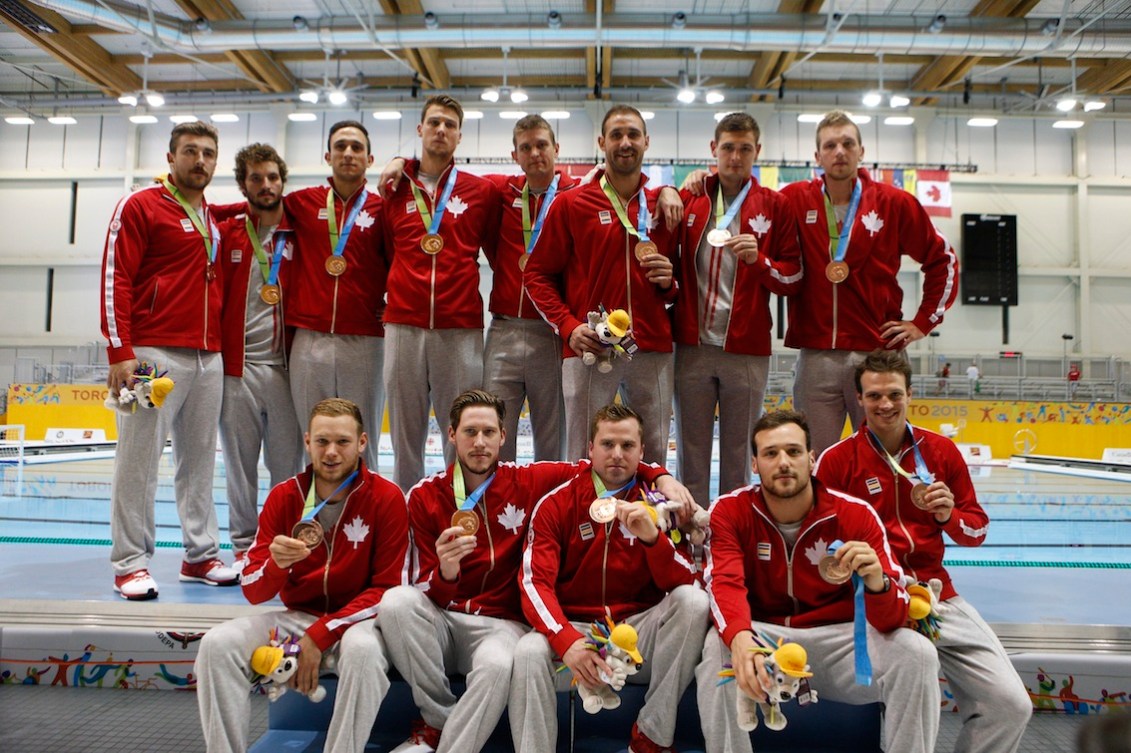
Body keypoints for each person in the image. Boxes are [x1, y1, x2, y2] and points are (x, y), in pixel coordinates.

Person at [380, 390, 692, 752]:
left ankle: (652, 737)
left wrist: (661, 476)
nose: (479, 443)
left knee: (502, 663)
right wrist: (447, 573)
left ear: (503, 436)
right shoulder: (424, 495)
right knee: (396, 602)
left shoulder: (531, 481)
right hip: (445, 617)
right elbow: (426, 591)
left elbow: (609, 465)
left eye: (488, 432)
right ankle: (436, 721)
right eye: (469, 432)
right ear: (451, 435)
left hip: (501, 624)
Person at [815, 349, 1032, 753]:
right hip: (869, 598)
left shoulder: (940, 452)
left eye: (894, 394)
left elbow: (977, 531)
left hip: (936, 595)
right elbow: (815, 538)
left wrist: (950, 515)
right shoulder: (837, 460)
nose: (885, 404)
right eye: (875, 395)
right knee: (915, 692)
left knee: (1010, 705)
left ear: (909, 395)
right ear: (859, 399)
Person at [697, 409, 940, 753]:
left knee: (917, 653)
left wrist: (877, 583)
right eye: (770, 453)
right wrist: (742, 640)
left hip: (843, 644)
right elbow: (725, 584)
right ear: (754, 464)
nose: (783, 462)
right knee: (718, 646)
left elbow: (892, 619)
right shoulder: (731, 511)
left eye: (794, 452)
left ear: (811, 458)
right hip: (767, 642)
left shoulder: (854, 514)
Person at [195, 398, 409, 753]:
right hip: (297, 619)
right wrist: (275, 566)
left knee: (364, 652)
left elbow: (387, 591)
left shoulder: (386, 498)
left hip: (358, 622)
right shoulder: (284, 497)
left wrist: (320, 634)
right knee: (217, 644)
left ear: (362, 443)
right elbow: (252, 591)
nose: (331, 452)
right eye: (322, 441)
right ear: (307, 441)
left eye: (342, 442)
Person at [378, 114, 577, 463]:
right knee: (493, 435)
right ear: (514, 155)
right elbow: (436, 172)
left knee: (552, 439)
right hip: (503, 330)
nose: (535, 153)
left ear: (557, 149)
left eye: (542, 145)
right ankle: (497, 513)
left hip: (552, 331)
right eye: (525, 147)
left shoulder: (578, 196)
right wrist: (401, 162)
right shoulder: (498, 190)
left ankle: (548, 514)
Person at [512, 404, 709, 753]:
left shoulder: (661, 505)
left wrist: (653, 540)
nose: (617, 454)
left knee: (693, 602)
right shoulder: (558, 504)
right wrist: (566, 639)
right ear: (590, 449)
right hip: (578, 626)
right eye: (607, 444)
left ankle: (652, 737)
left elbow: (685, 580)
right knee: (528, 650)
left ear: (642, 452)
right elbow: (534, 583)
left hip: (637, 629)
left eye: (628, 446)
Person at [100, 120, 237, 600]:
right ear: (171, 157)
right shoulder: (140, 206)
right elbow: (115, 277)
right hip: (150, 356)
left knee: (199, 461)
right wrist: (120, 352)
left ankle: (200, 556)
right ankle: (129, 563)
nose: (199, 160)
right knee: (137, 460)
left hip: (208, 357)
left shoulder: (213, 216)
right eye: (190, 151)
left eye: (207, 154)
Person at [781, 109, 959, 455]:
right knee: (814, 460)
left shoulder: (895, 203)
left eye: (848, 144)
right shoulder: (793, 200)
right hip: (817, 355)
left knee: (886, 457)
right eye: (830, 145)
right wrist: (702, 179)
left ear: (862, 151)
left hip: (878, 353)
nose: (840, 152)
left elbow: (944, 260)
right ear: (817, 156)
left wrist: (923, 322)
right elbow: (747, 202)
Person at [524, 105, 680, 468]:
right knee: (583, 452)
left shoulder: (664, 206)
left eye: (633, 135)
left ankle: (648, 524)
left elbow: (679, 287)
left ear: (646, 142)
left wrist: (668, 283)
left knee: (653, 452)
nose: (625, 143)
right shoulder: (571, 203)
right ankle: (581, 523)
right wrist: (569, 327)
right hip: (591, 348)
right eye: (616, 135)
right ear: (601, 142)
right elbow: (536, 274)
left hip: (652, 348)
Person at [674, 112, 802, 507]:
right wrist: (671, 190)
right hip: (691, 346)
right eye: (727, 148)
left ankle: (732, 532)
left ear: (757, 152)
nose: (735, 156)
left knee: (740, 454)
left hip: (746, 350)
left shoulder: (775, 206)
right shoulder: (690, 197)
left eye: (744, 149)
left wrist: (760, 261)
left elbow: (793, 276)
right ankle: (690, 533)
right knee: (690, 452)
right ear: (714, 150)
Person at [380, 95, 502, 492]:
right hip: (402, 326)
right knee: (404, 437)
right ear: (420, 129)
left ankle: (460, 513)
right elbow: (380, 253)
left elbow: (534, 187)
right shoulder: (393, 188)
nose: (441, 130)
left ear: (460, 136)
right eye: (434, 122)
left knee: (465, 436)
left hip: (460, 329)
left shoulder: (481, 191)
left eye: (450, 124)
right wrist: (398, 161)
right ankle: (405, 521)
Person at [217, 143, 304, 572]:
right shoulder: (228, 231)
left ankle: (281, 540)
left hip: (287, 368)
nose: (266, 185)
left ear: (282, 181)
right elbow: (203, 209)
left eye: (272, 177)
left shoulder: (299, 230)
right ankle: (240, 544)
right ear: (243, 184)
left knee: (287, 464)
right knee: (239, 464)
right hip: (238, 369)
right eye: (256, 178)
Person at [283, 120, 389, 472]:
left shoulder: (382, 210)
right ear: (328, 156)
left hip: (364, 341)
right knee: (312, 438)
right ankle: (310, 523)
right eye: (341, 146)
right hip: (310, 338)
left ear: (369, 159)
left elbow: (405, 261)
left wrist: (394, 308)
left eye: (356, 147)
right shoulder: (299, 204)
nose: (348, 153)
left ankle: (367, 521)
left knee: (362, 438)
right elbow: (251, 214)